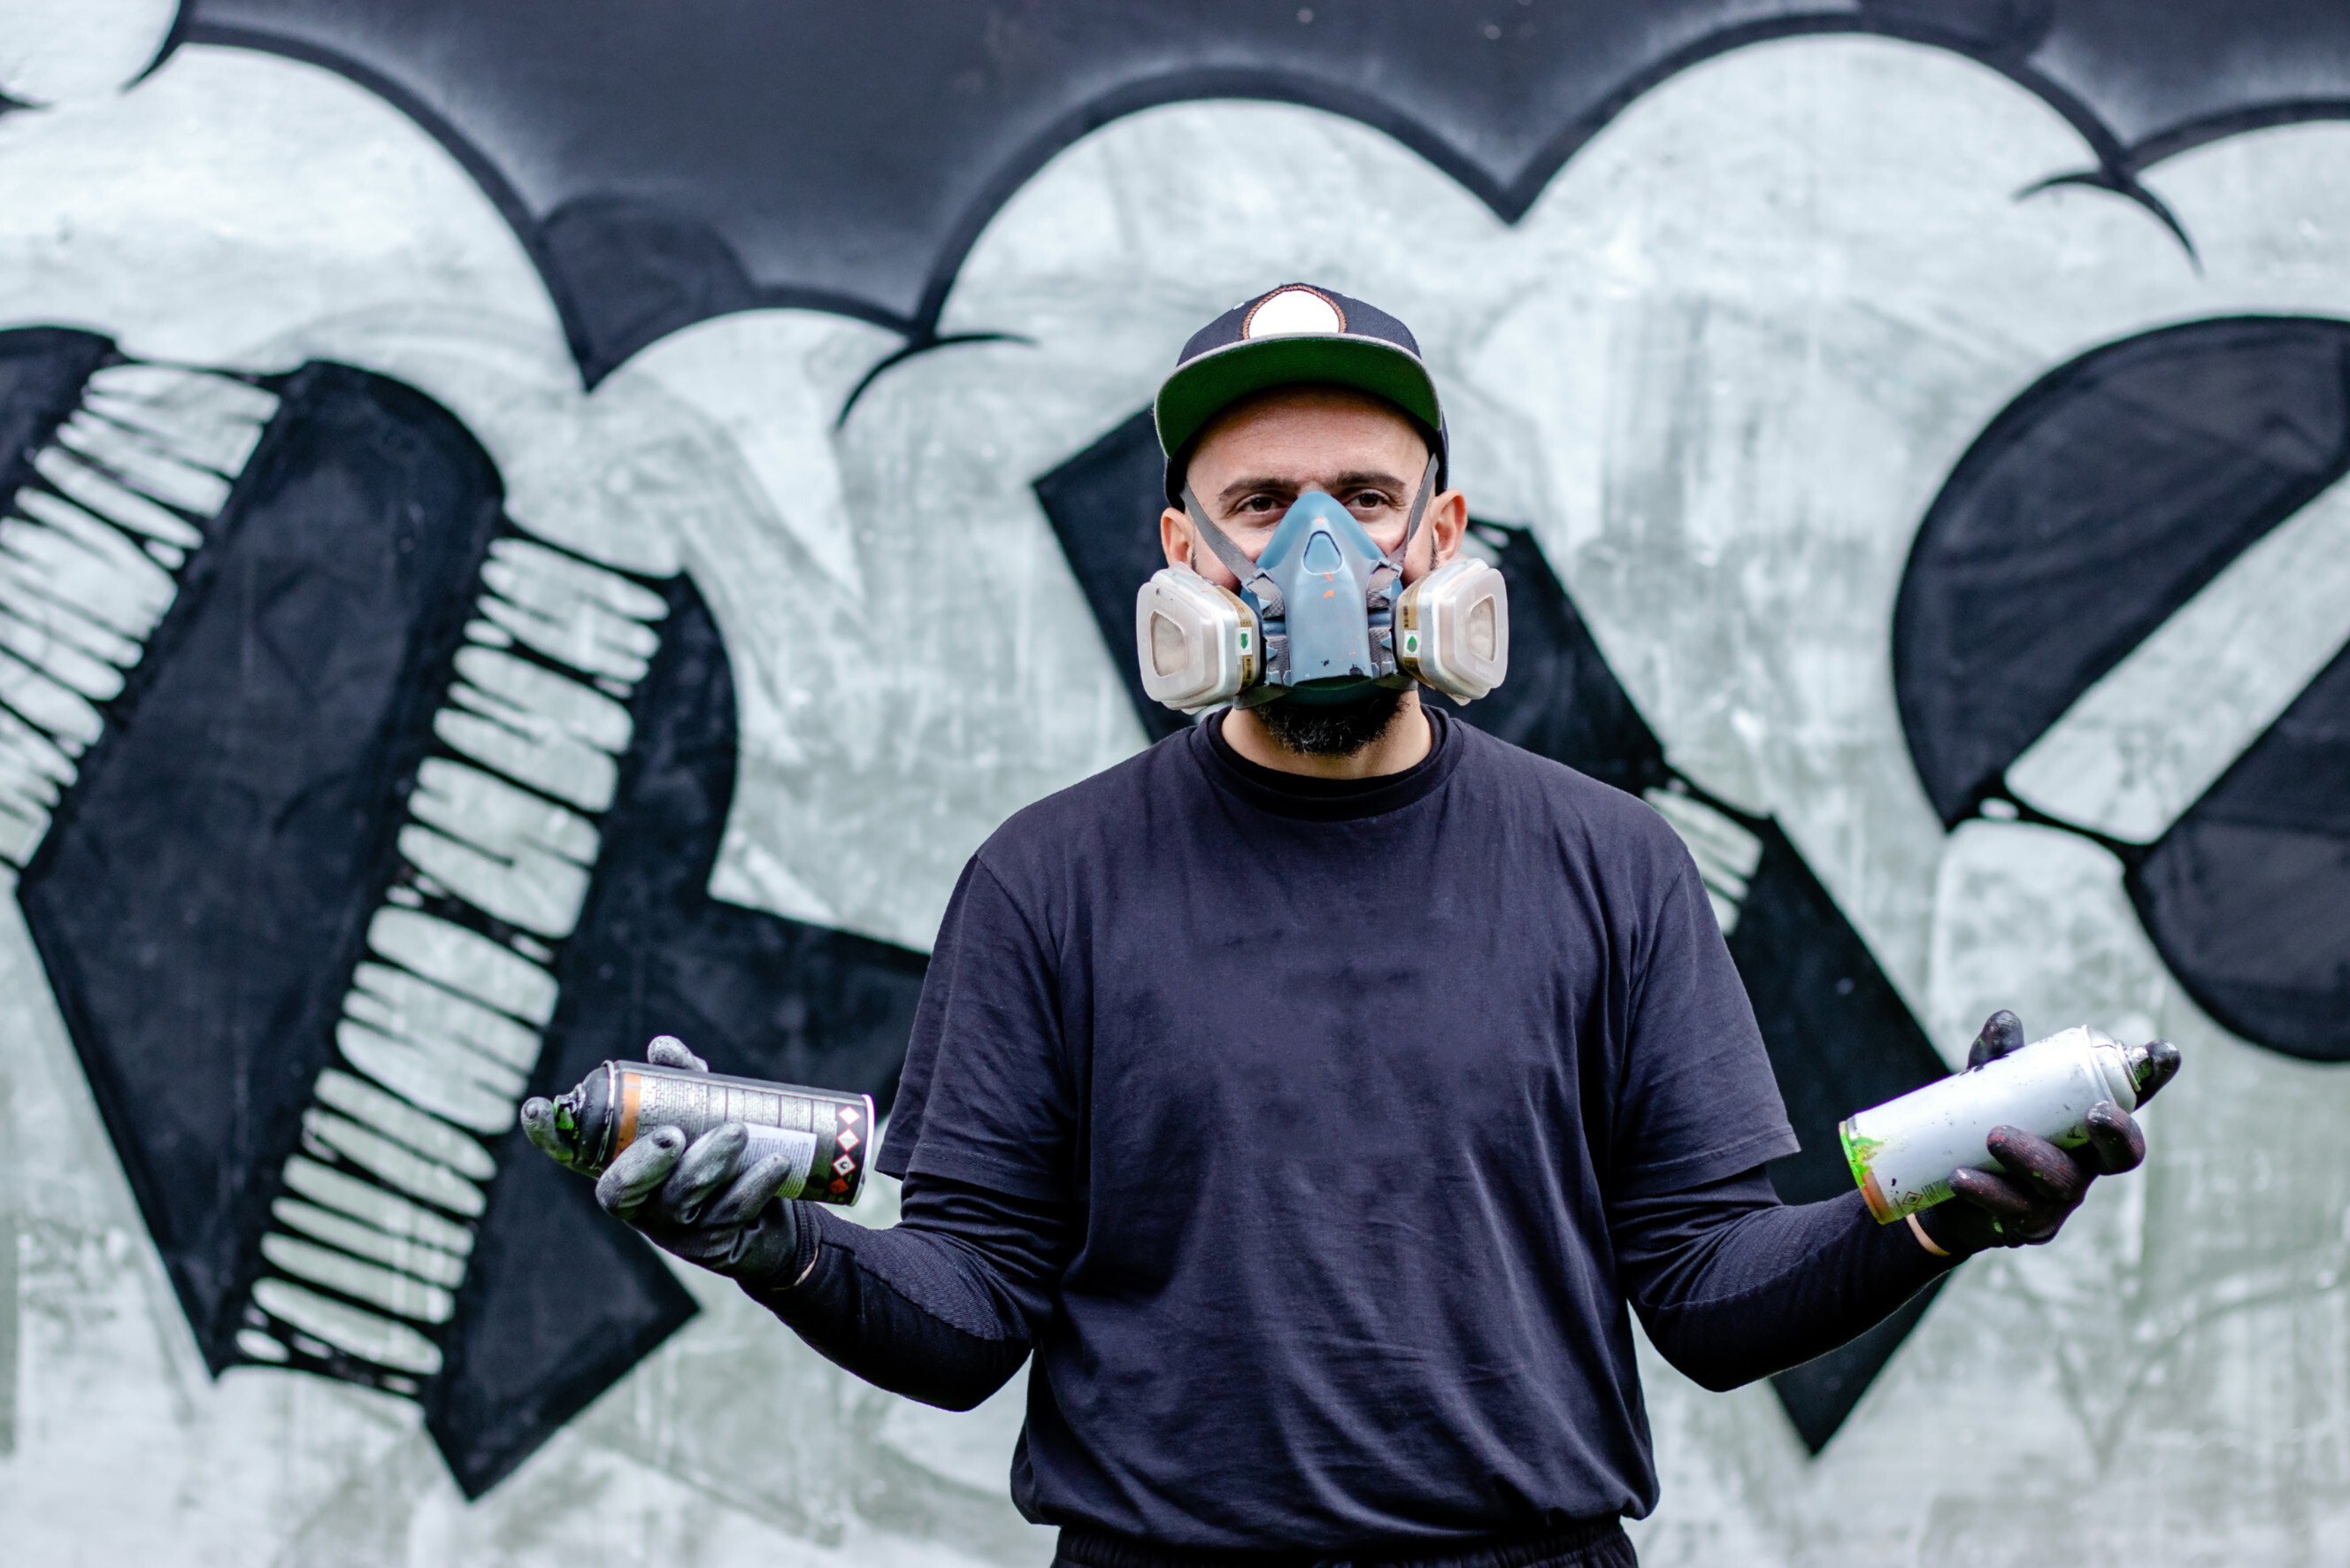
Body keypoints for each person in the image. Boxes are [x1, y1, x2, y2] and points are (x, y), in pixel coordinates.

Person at [524, 284, 2177, 1568]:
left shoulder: (1612, 866)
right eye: (1258, 507)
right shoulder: (1048, 882)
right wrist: (781, 1246)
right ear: (1184, 553)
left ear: (1441, 538)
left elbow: (1709, 1294)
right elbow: (967, 1320)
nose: (1318, 547)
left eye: (1366, 495)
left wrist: (1935, 1219)